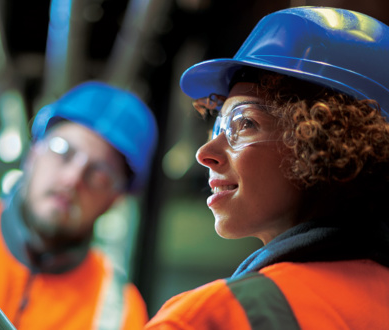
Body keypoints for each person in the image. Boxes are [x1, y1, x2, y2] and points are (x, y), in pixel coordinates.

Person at [145, 6, 389, 329]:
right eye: (217, 128)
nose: (205, 152)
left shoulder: (212, 316)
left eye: (244, 123)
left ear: (329, 140)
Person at [0, 81, 158, 329]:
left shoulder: (119, 312)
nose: (72, 179)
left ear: (115, 200)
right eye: (63, 151)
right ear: (34, 152)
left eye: (100, 175)